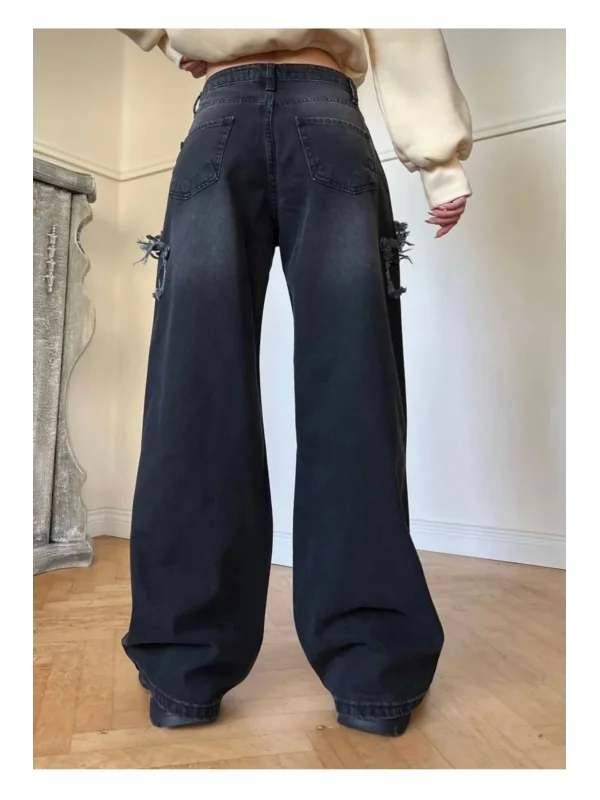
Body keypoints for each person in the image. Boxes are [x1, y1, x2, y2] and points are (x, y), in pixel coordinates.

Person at [118, 28, 473, 736]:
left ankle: (184, 673)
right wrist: (441, 163)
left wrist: (174, 35)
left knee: (195, 401)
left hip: (220, 120)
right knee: (355, 398)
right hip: (327, 115)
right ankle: (372, 675)